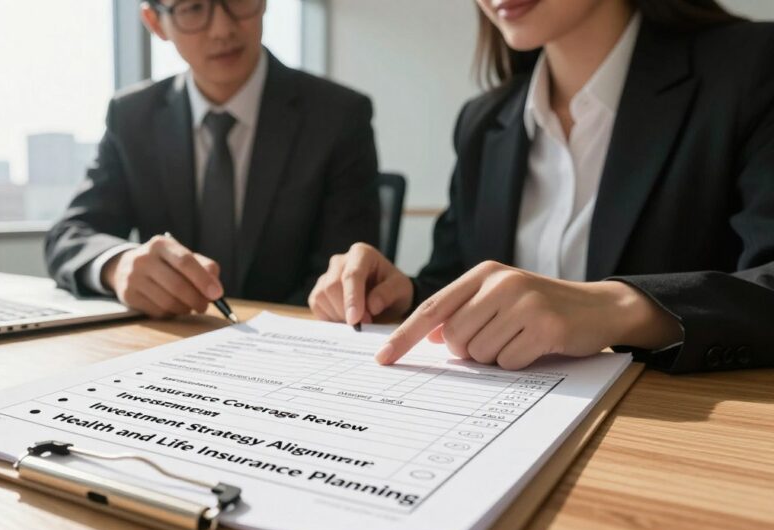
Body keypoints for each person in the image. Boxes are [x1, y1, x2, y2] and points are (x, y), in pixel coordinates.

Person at [309, 0, 774, 374]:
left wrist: (612, 309)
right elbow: (456, 274)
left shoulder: (751, 66)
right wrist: (403, 293)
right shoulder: (484, 121)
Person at [45, 0, 380, 318]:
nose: (222, 29)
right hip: (170, 343)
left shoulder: (338, 116)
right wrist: (117, 265)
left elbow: (346, 271)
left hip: (297, 348)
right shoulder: (132, 117)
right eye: (193, 8)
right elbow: (71, 234)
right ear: (155, 22)